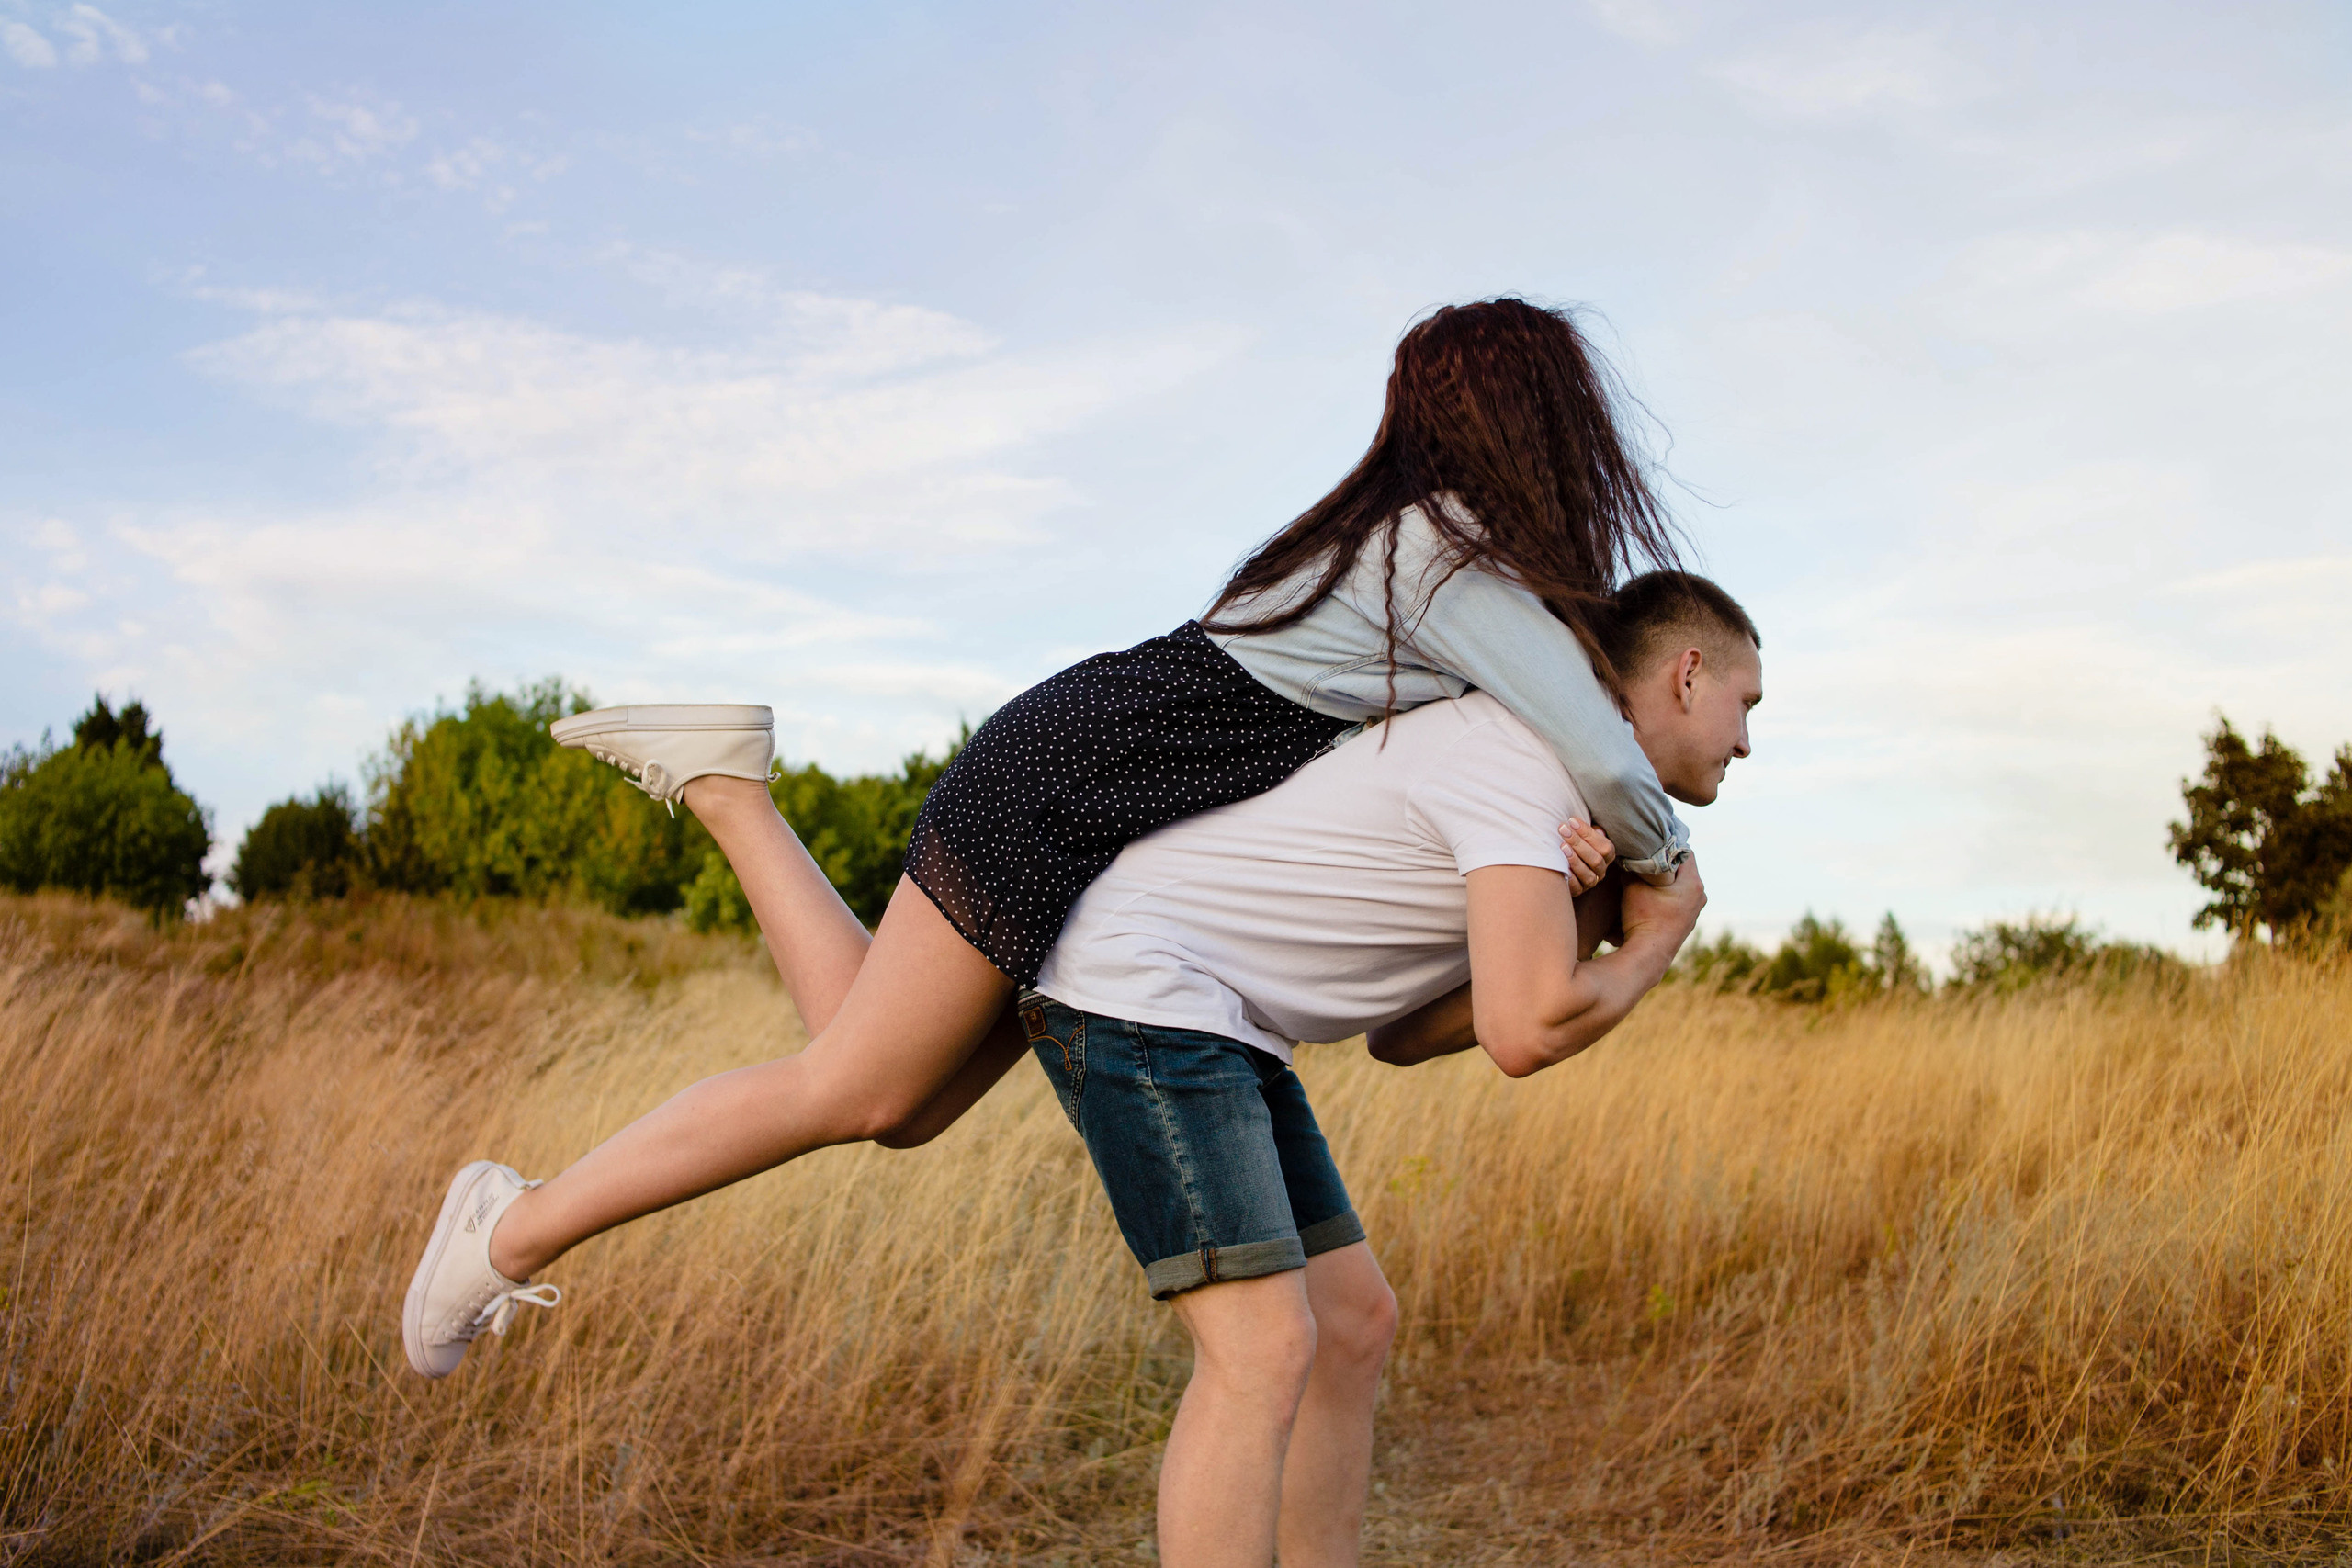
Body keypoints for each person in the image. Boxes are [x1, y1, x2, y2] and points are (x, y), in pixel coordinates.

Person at [403, 299, 1694, 1379]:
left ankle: (732, 789)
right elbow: (1599, 744)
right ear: (1540, 423)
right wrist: (1665, 871)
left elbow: (1518, 758)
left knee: (887, 1093)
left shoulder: (1409, 548)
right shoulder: (1442, 553)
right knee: (855, 1084)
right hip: (1069, 783)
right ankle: (507, 1226)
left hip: (1106, 795)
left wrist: (1569, 855)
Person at [1015, 570, 1758, 1567]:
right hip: (1147, 990)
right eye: (1743, 707)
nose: (1745, 742)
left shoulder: (1552, 793)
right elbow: (1524, 1035)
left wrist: (1587, 922)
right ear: (1687, 672)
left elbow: (1402, 1037)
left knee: (1352, 1323)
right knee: (1261, 1351)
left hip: (1226, 1022)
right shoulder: (1520, 762)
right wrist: (1656, 939)